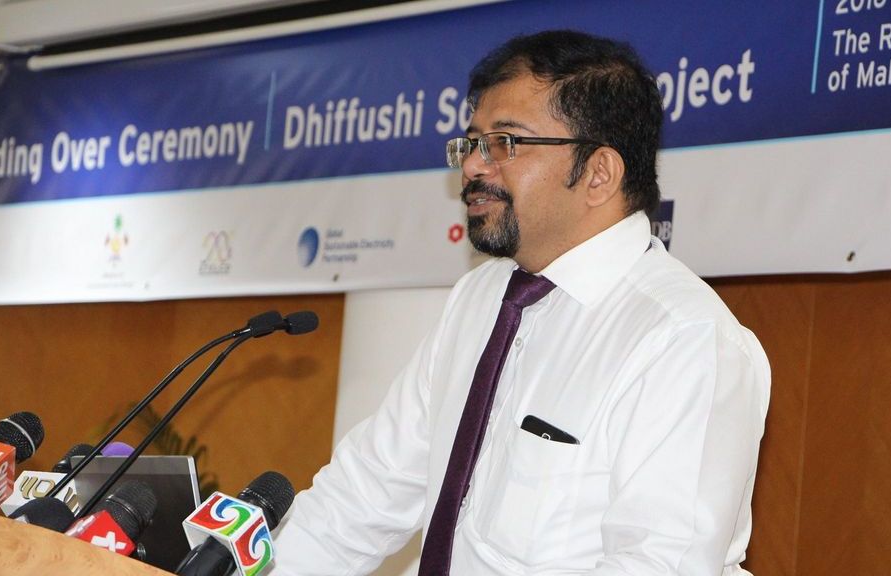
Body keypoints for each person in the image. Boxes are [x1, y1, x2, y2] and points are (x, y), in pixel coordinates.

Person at [270, 30, 770, 575]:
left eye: (505, 143)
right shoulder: (480, 297)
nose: (472, 166)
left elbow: (658, 564)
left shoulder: (684, 339)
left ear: (598, 174)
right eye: (472, 143)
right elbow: (361, 497)